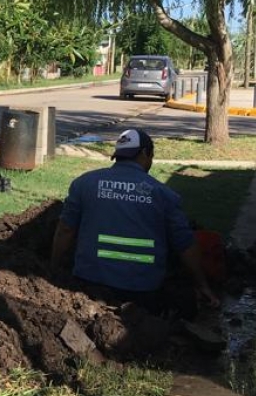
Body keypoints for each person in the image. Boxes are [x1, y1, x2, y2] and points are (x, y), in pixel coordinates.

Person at [51, 128, 219, 309]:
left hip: (89, 284)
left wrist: (53, 269)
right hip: (142, 290)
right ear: (146, 153)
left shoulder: (84, 184)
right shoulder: (163, 195)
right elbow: (185, 244)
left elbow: (65, 230)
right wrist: (202, 285)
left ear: (118, 155)